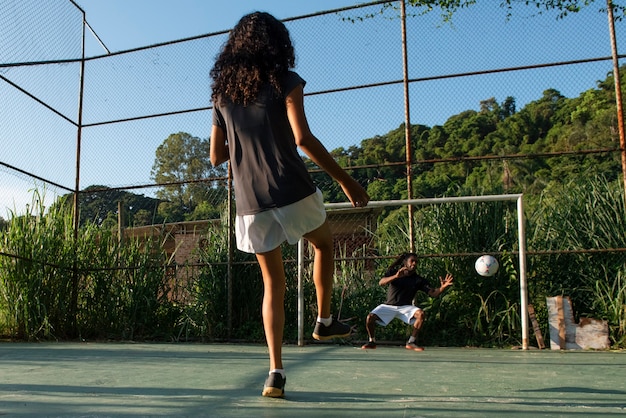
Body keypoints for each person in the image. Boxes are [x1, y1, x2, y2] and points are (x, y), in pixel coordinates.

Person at [209, 12, 370, 398]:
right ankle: (324, 319)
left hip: (250, 202)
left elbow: (216, 156)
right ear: (277, 43)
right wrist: (347, 181)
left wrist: (246, 140)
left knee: (272, 284)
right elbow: (303, 139)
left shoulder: (221, 97)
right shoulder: (285, 80)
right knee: (325, 243)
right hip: (290, 187)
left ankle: (275, 374)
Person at [361, 252, 453, 351]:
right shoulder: (394, 272)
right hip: (389, 306)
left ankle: (411, 342)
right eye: (412, 261)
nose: (414, 263)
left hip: (406, 308)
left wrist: (442, 287)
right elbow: (381, 282)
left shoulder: (418, 280)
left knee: (420, 314)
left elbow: (433, 294)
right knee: (370, 317)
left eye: (416, 262)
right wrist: (396, 276)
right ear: (405, 262)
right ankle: (372, 342)